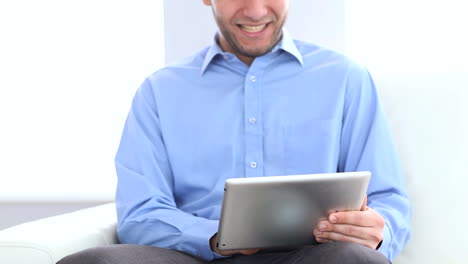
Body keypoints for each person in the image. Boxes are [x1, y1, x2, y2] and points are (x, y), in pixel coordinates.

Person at [58, 0, 411, 263]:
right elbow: (141, 213)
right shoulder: (160, 91)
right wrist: (216, 237)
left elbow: (388, 199)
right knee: (94, 263)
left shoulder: (346, 79)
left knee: (357, 260)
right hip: (197, 257)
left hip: (310, 257)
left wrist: (379, 231)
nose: (255, 10)